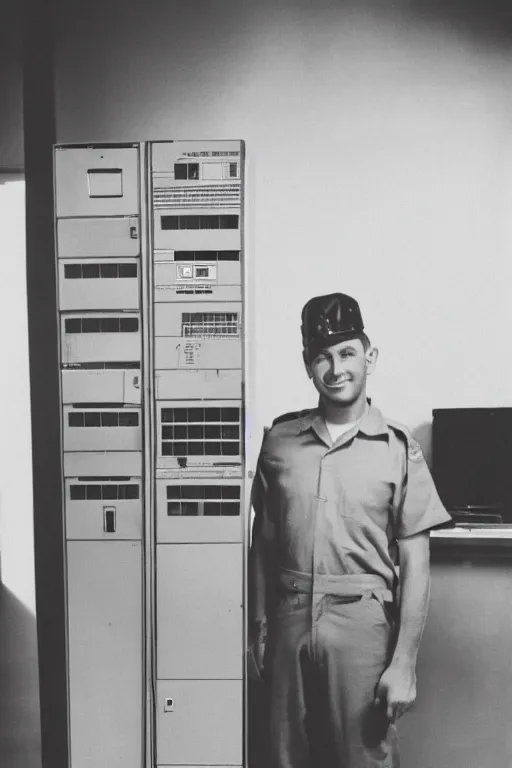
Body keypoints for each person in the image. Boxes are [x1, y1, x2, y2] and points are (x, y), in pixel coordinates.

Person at [248, 292, 452, 768]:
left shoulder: (398, 449)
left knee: (364, 757)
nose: (335, 368)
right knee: (282, 755)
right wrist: (257, 631)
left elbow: (417, 566)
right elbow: (263, 543)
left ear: (369, 356)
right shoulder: (279, 442)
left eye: (346, 353)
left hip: (362, 623)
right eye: (321, 356)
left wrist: (404, 663)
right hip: (288, 618)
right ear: (307, 365)